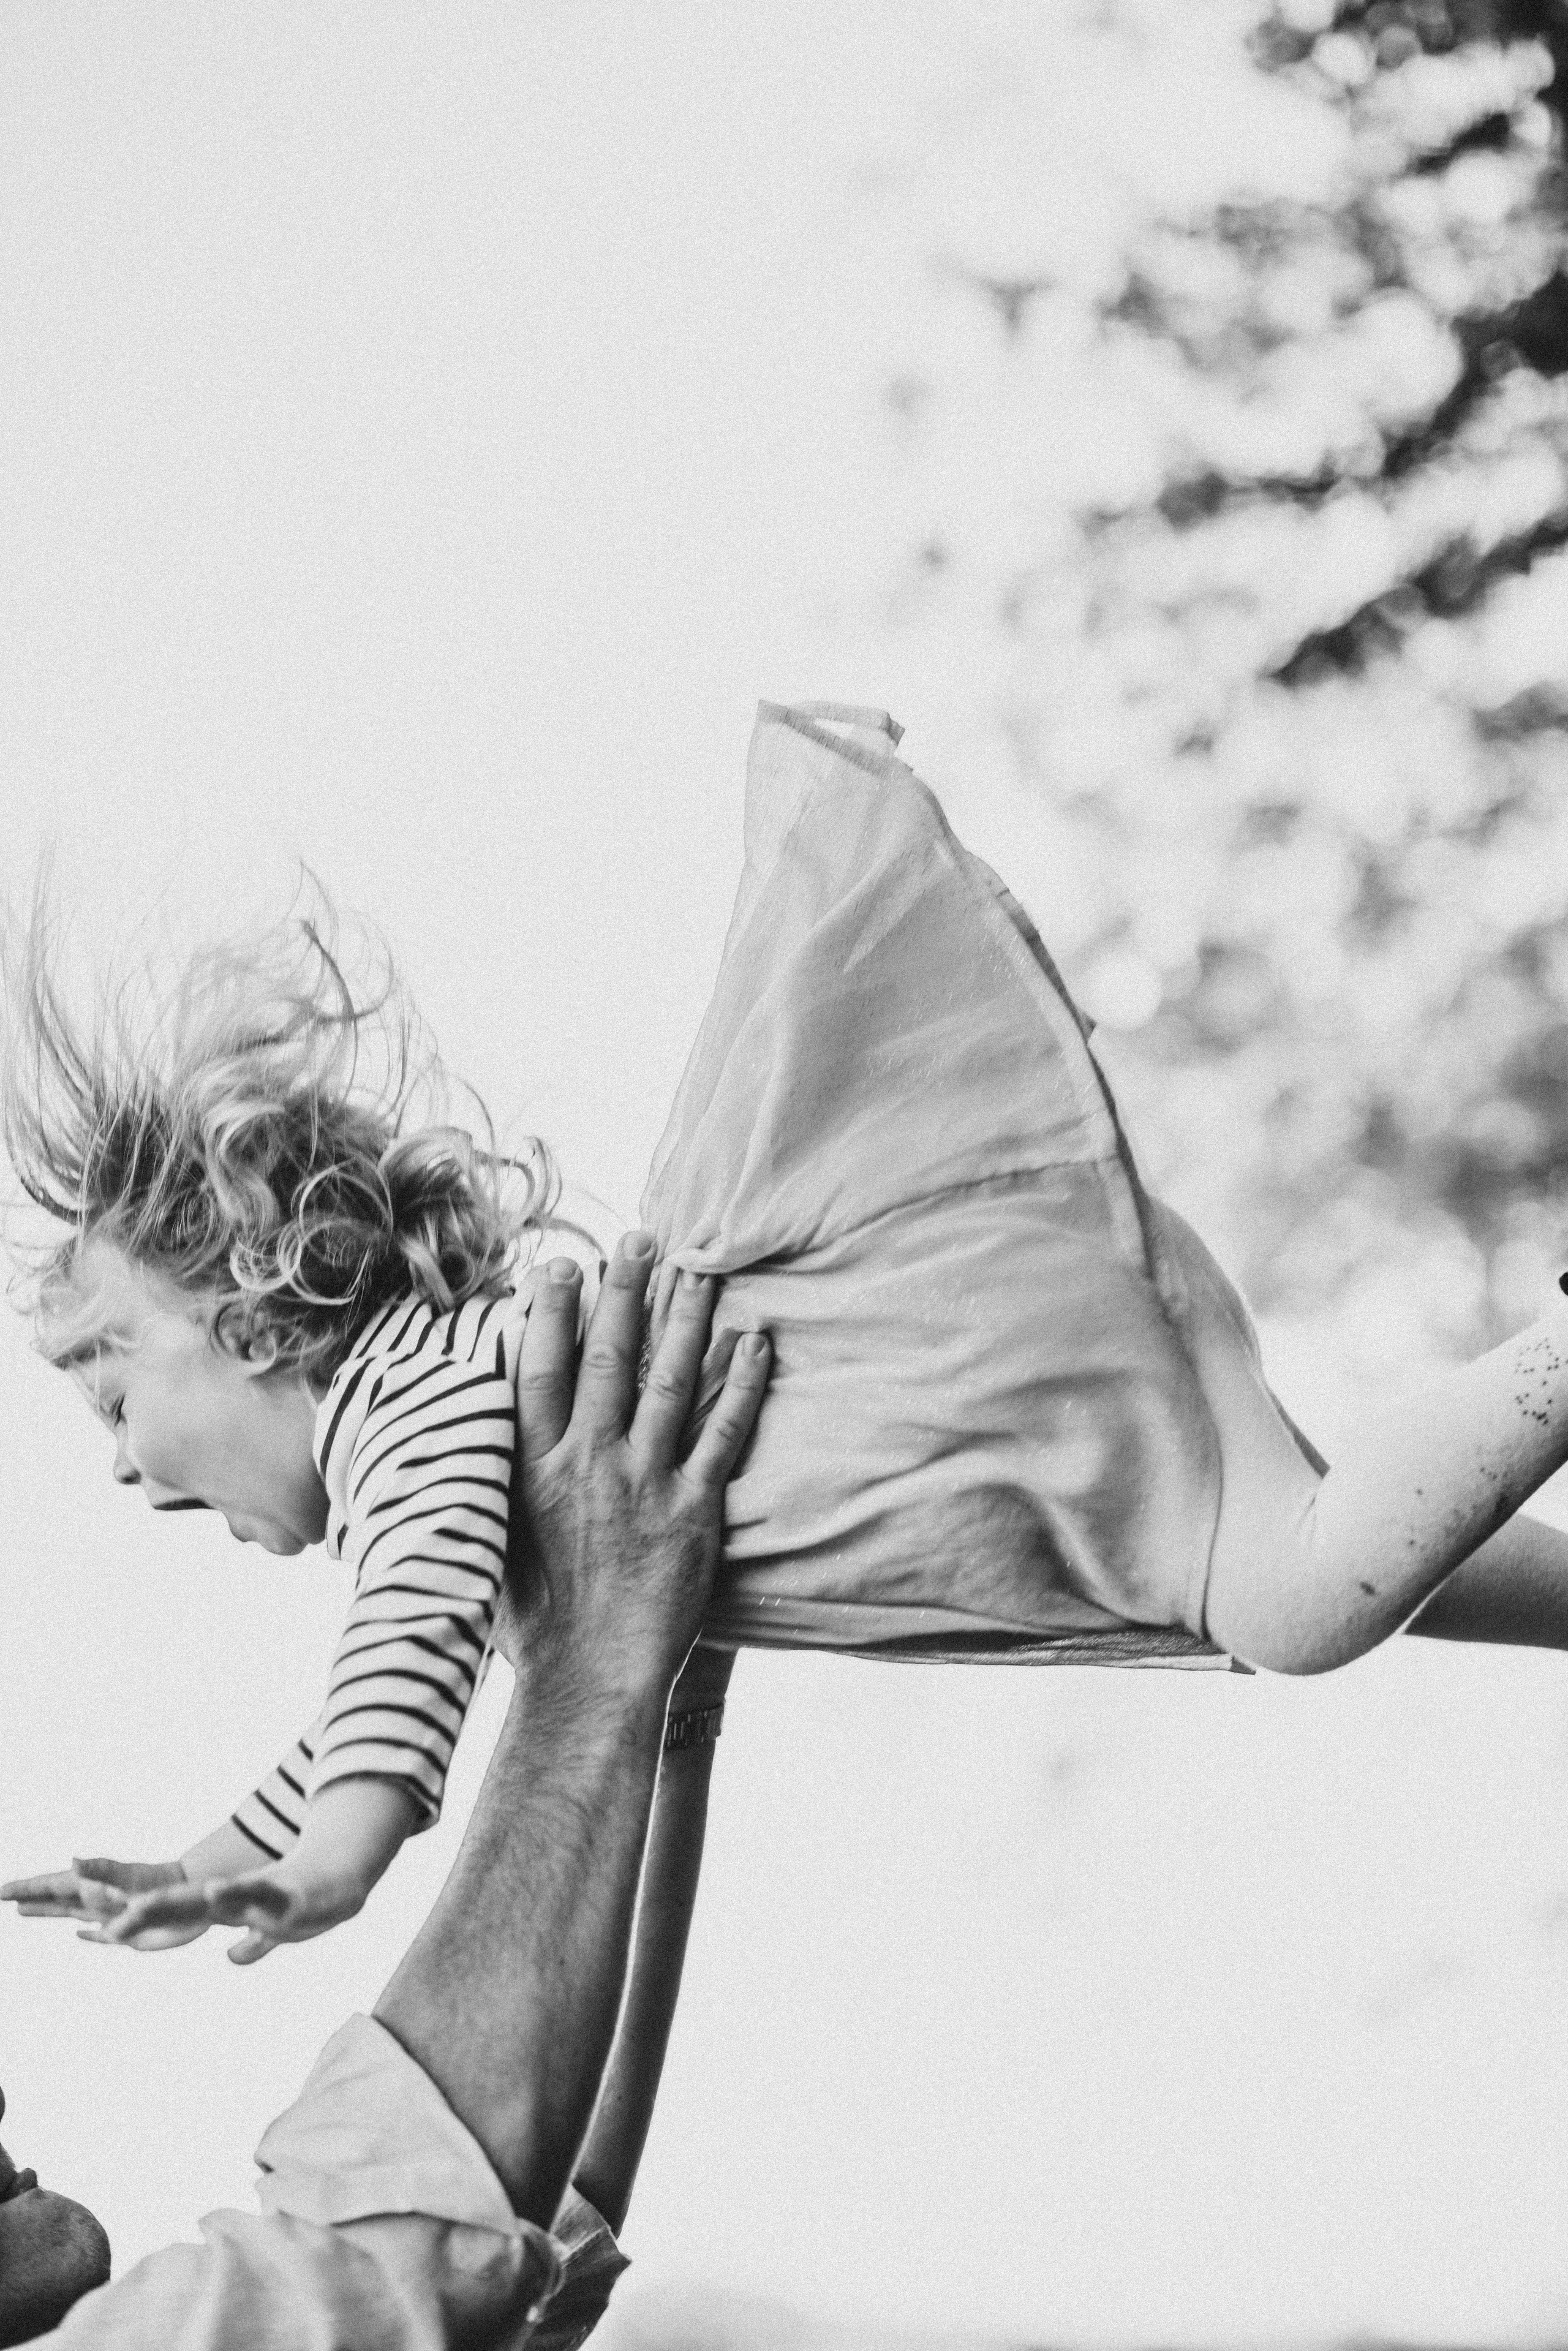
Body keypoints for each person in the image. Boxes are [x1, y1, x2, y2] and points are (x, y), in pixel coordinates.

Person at [13, 697, 1568, 1966]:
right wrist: (214, 1856)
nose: (126, 1476)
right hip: (1026, 1353)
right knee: (1319, 1544)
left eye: (113, 1397)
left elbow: (397, 1668)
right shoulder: (449, 1429)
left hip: (988, 1361)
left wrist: (329, 1876)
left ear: (261, 1313)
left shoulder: (407, 1422)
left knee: (1299, 1603)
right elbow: (358, 1711)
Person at [0, 1236, 769, 2346]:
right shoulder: (410, 1427)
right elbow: (418, 2245)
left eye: (119, 1407)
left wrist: (648, 1672)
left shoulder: (402, 1409)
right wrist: (600, 1658)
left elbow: (534, 2230)